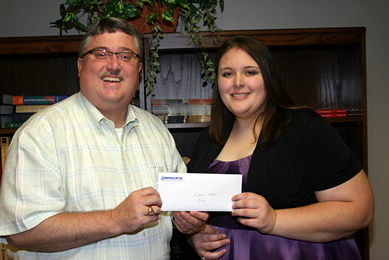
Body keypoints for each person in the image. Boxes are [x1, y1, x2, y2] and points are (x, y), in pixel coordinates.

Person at [0, 17, 206, 259]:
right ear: (80, 66)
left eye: (125, 55)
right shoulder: (42, 133)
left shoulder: (157, 130)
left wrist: (190, 225)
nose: (114, 65)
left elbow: (178, 208)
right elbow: (21, 230)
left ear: (139, 71)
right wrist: (114, 219)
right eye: (101, 54)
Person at [185, 36, 374, 260]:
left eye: (250, 72)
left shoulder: (303, 126)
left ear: (268, 77)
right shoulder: (209, 137)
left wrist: (274, 220)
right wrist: (193, 234)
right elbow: (195, 210)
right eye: (227, 73)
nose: (237, 82)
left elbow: (360, 211)